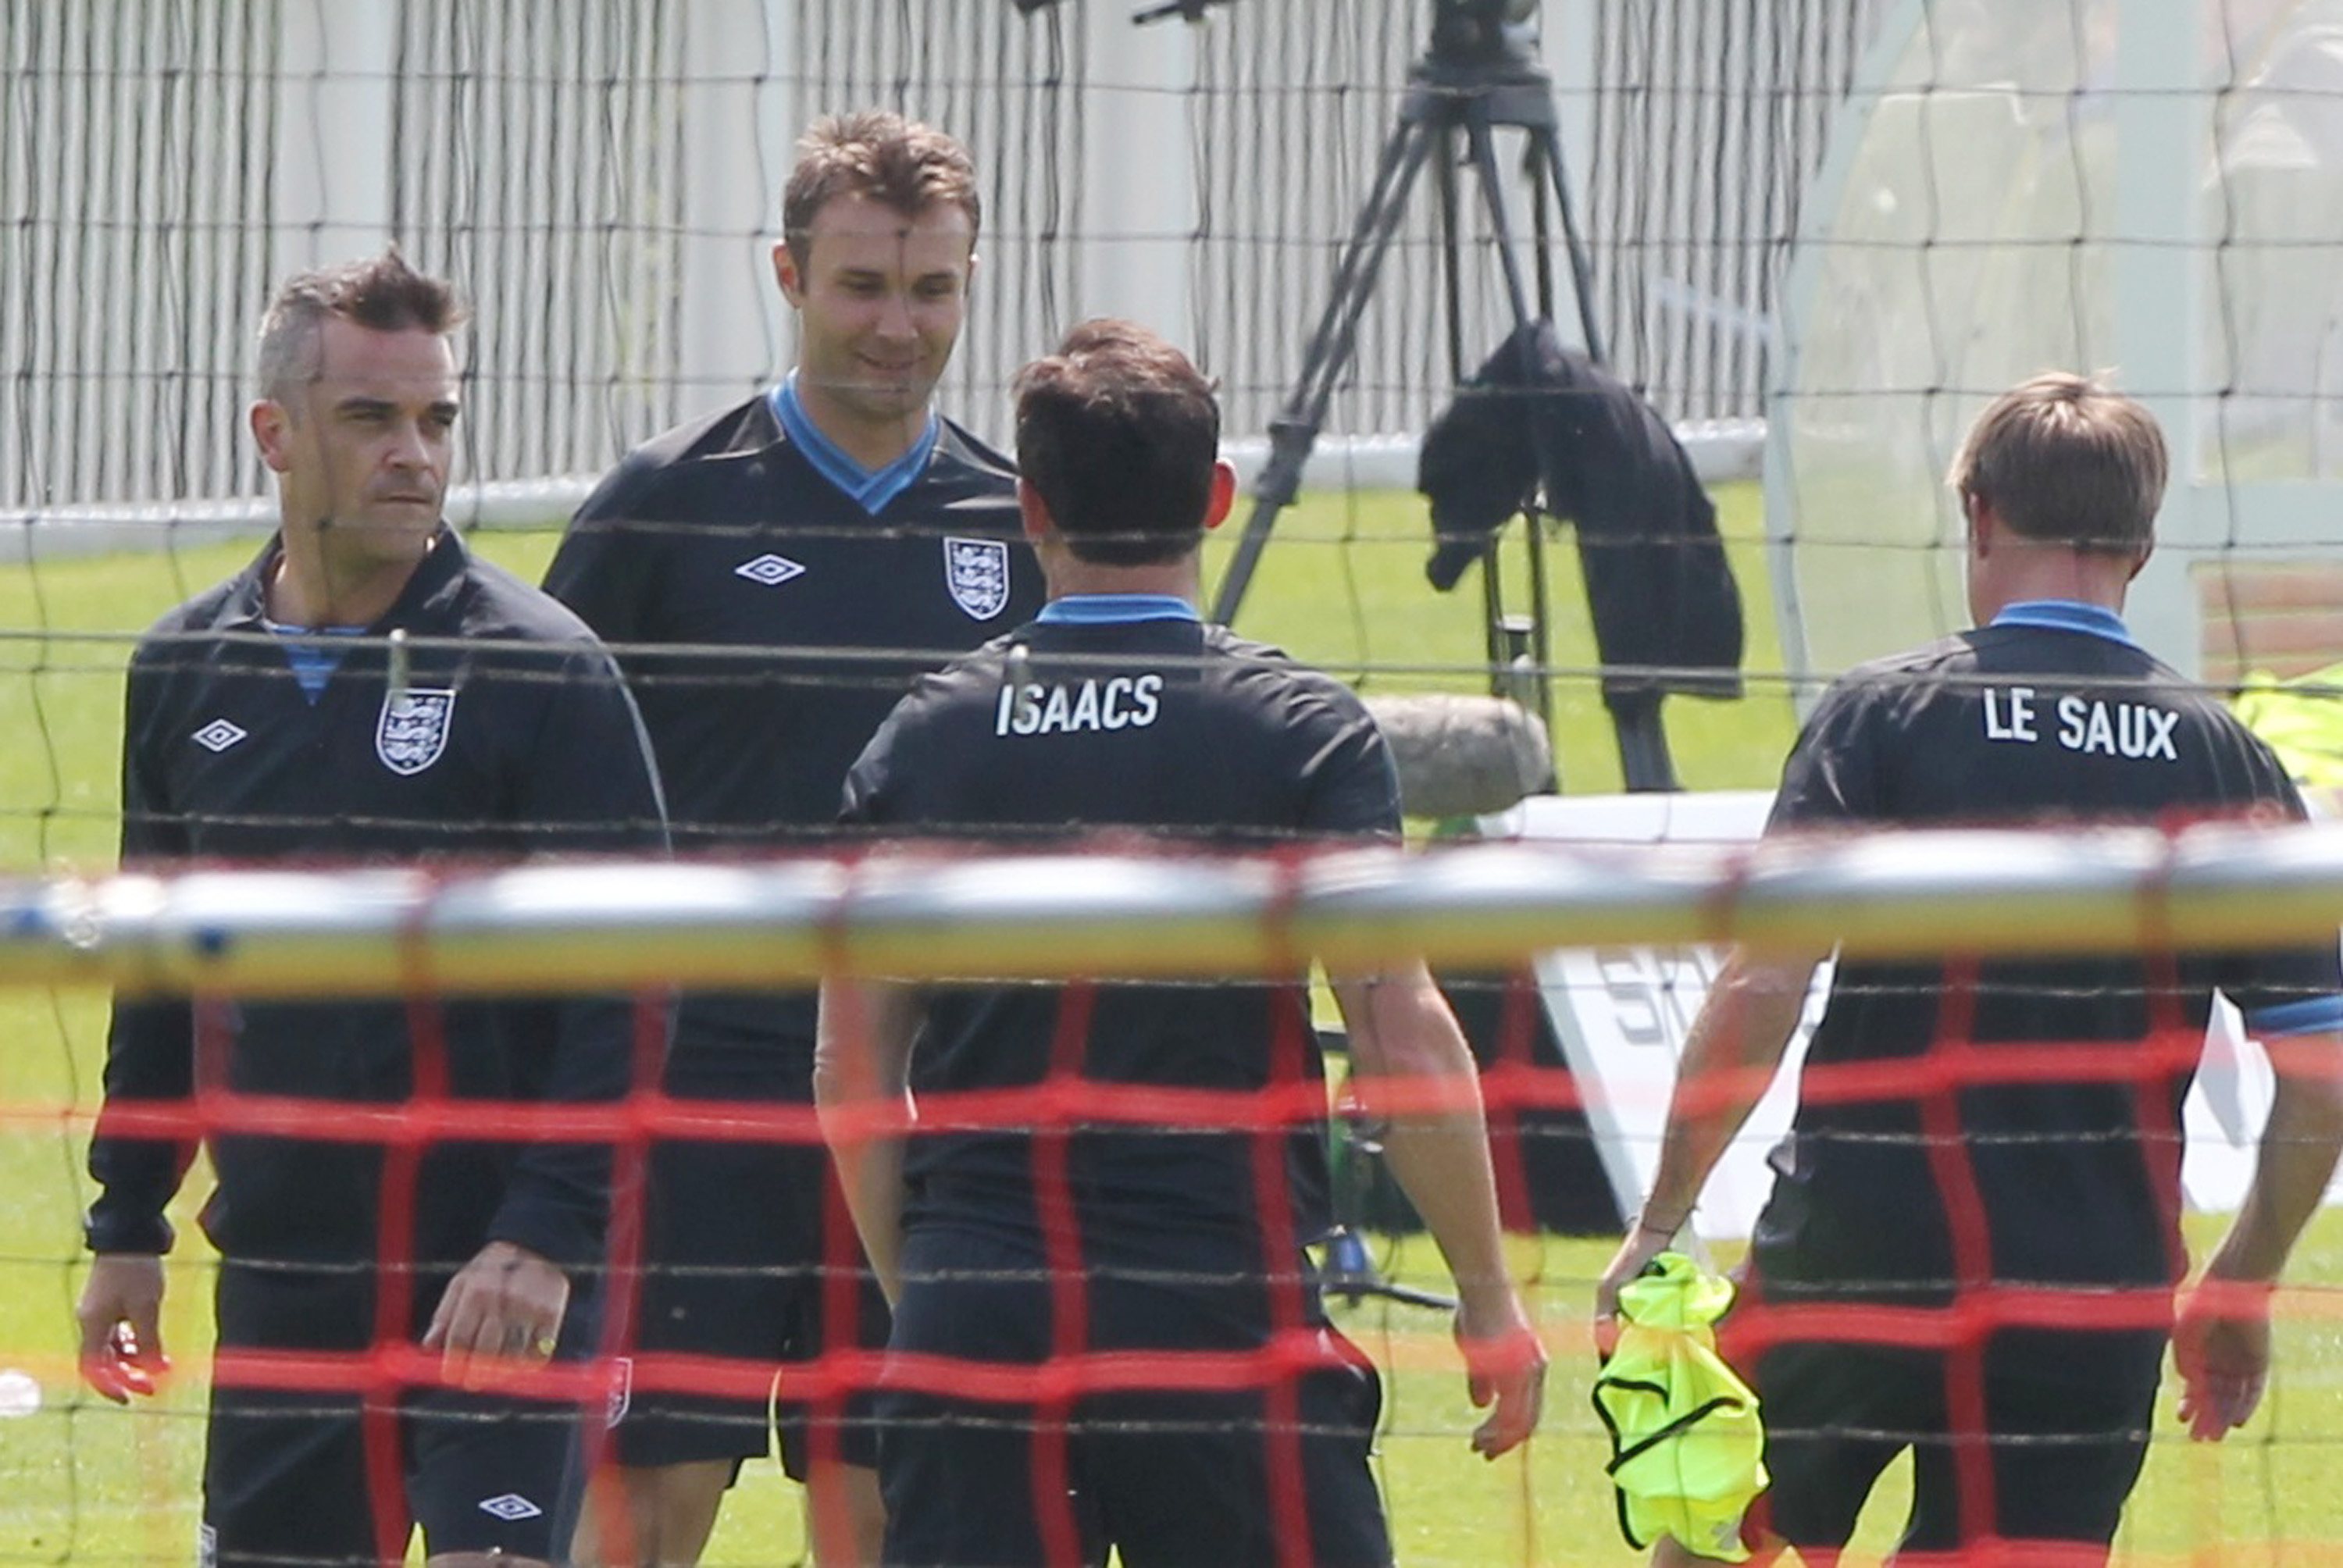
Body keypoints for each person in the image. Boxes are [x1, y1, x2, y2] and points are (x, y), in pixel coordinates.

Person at [815, 319, 1547, 1568]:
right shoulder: (1297, 730)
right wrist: (1487, 1297)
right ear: (1216, 495)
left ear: (1029, 505)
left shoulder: (926, 736)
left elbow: (852, 1071)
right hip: (1219, 1310)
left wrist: (928, 1292)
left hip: (982, 1309)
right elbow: (1397, 1034)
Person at [1594, 372, 2343, 1564]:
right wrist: (2242, 1278)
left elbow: (1763, 987)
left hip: (1860, 1249)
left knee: (1713, 1543)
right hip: (2089, 1288)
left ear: (1979, 515)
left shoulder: (1884, 716)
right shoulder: (2228, 762)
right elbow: (2321, 1074)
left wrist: (1660, 1221)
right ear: (2143, 546)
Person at [74, 250, 668, 1567]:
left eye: (436, 418)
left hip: (496, 1272)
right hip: (289, 1279)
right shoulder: (186, 668)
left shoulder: (541, 669)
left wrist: (543, 1238)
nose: (415, 454)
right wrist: (127, 1221)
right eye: (371, 418)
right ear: (273, 434)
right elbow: (157, 974)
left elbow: (632, 987)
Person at [541, 110, 1043, 1566]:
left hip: (916, 1098)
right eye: (862, 286)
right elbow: (544, 786)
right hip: (695, 1095)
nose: (899, 326)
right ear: (788, 275)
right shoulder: (666, 506)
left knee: (882, 1506)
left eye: (932, 289)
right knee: (650, 1501)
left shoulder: (1019, 522)